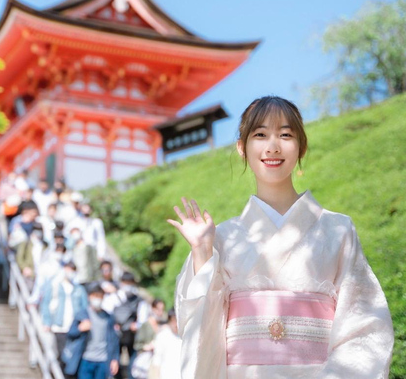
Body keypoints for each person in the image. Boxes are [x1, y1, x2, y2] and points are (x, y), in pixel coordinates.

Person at [167, 96, 394, 379]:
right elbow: (200, 323)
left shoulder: (337, 229)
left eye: (285, 135)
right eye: (260, 134)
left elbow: (364, 325)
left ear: (301, 146)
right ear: (242, 148)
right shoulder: (224, 236)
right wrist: (202, 251)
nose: (273, 146)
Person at [62, 283, 120, 379]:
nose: (98, 299)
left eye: (100, 296)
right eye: (95, 296)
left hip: (103, 360)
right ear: (89, 297)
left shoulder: (108, 318)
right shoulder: (82, 314)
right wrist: (80, 328)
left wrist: (114, 359)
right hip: (85, 358)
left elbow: (114, 340)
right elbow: (70, 334)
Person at [41, 261, 88, 377]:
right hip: (59, 326)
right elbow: (46, 303)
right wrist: (47, 322)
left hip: (75, 328)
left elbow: (85, 307)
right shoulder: (54, 286)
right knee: (63, 355)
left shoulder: (79, 289)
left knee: (73, 355)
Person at [149, 309, 181, 379]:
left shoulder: (186, 336)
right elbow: (157, 359)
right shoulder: (162, 336)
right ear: (170, 320)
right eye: (174, 320)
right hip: (165, 375)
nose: (176, 323)